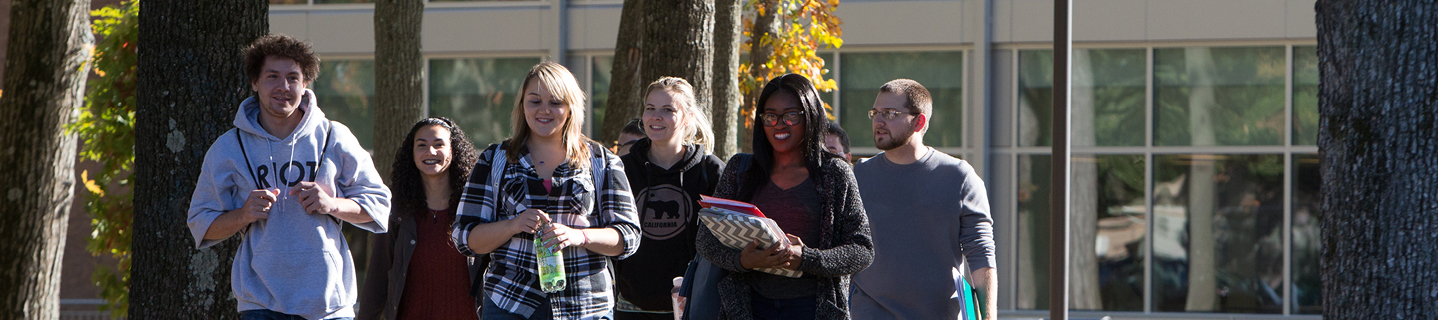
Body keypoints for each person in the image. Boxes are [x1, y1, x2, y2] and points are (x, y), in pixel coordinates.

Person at [187, 34, 392, 320]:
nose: (283, 87)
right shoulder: (229, 147)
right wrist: (242, 214)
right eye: (272, 76)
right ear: (254, 83)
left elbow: (380, 205)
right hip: (260, 304)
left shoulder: (334, 136)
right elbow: (201, 224)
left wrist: (332, 205)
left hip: (329, 305)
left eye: (293, 78)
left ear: (305, 84)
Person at [451, 61, 642, 320]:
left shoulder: (602, 161)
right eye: (535, 101)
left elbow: (628, 237)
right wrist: (514, 224)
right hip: (511, 303)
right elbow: (465, 236)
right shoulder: (495, 159)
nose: (544, 110)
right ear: (521, 106)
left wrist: (578, 237)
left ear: (571, 107)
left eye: (555, 102)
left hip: (585, 306)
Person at [694, 73, 873, 320]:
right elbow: (705, 241)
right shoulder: (740, 169)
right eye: (770, 116)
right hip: (749, 307)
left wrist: (807, 258)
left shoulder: (835, 173)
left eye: (791, 115)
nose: (779, 124)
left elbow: (862, 250)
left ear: (810, 116)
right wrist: (742, 261)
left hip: (813, 309)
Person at [850, 79, 997, 320]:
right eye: (876, 113)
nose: (879, 120)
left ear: (919, 121)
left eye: (890, 113)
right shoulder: (859, 175)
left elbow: (981, 254)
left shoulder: (958, 177)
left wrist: (989, 317)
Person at [614, 77, 725, 320]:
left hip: (695, 305)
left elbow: (726, 241)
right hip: (631, 306)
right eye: (650, 108)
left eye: (668, 110)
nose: (656, 116)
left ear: (688, 117)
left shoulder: (711, 171)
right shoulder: (621, 169)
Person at [359, 117, 482, 320]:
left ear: (454, 150)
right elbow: (377, 276)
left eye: (439, 144)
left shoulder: (475, 208)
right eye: (421, 145)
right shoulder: (397, 211)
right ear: (412, 154)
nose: (430, 152)